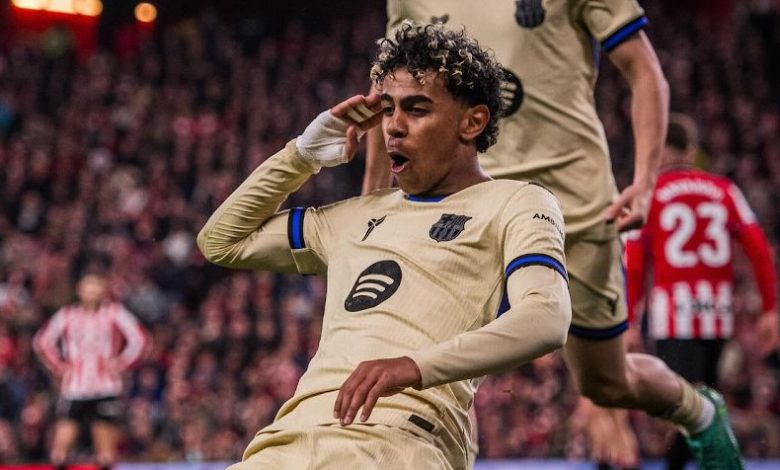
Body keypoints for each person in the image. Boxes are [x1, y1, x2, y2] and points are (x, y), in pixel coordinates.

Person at [361, 2, 746, 469]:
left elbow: (645, 71)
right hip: (468, 205)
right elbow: (387, 92)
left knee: (607, 383)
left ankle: (700, 412)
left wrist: (646, 182)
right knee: (430, 364)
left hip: (576, 209)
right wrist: (370, 210)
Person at [198, 22, 572, 469]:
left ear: (472, 121)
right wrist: (302, 154)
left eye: (417, 109)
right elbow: (221, 241)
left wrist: (413, 366)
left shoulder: (516, 202)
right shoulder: (354, 217)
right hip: (284, 443)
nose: (393, 126)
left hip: (399, 440)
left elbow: (546, 318)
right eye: (388, 109)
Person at [625, 113, 779, 469]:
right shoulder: (725, 190)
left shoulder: (650, 195)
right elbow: (759, 249)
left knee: (687, 406)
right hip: (717, 314)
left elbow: (634, 263)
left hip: (673, 316)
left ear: (661, 151)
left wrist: (630, 319)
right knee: (702, 399)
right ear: (692, 150)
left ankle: (690, 464)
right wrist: (770, 309)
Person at [33, 271, 148, 470]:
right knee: (59, 452)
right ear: (80, 290)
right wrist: (59, 366)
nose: (92, 292)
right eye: (88, 287)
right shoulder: (67, 315)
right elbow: (42, 341)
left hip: (105, 387)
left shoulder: (114, 313)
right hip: (75, 388)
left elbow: (141, 339)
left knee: (105, 455)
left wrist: (122, 363)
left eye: (96, 287)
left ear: (103, 290)